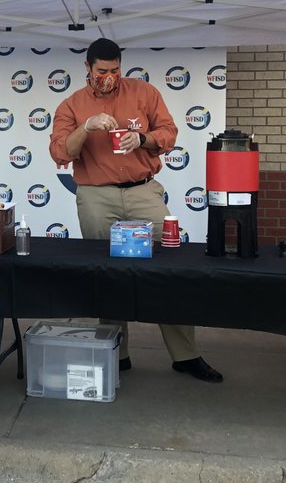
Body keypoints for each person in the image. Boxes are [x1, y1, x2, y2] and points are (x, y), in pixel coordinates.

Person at [49, 37, 223, 384]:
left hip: (143, 190)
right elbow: (60, 152)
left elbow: (168, 132)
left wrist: (140, 138)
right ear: (88, 68)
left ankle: (184, 354)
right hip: (97, 196)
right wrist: (86, 127)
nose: (109, 77)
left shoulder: (143, 92)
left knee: (168, 268)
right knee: (106, 274)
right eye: (101, 71)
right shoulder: (72, 104)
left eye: (115, 69)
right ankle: (117, 352)